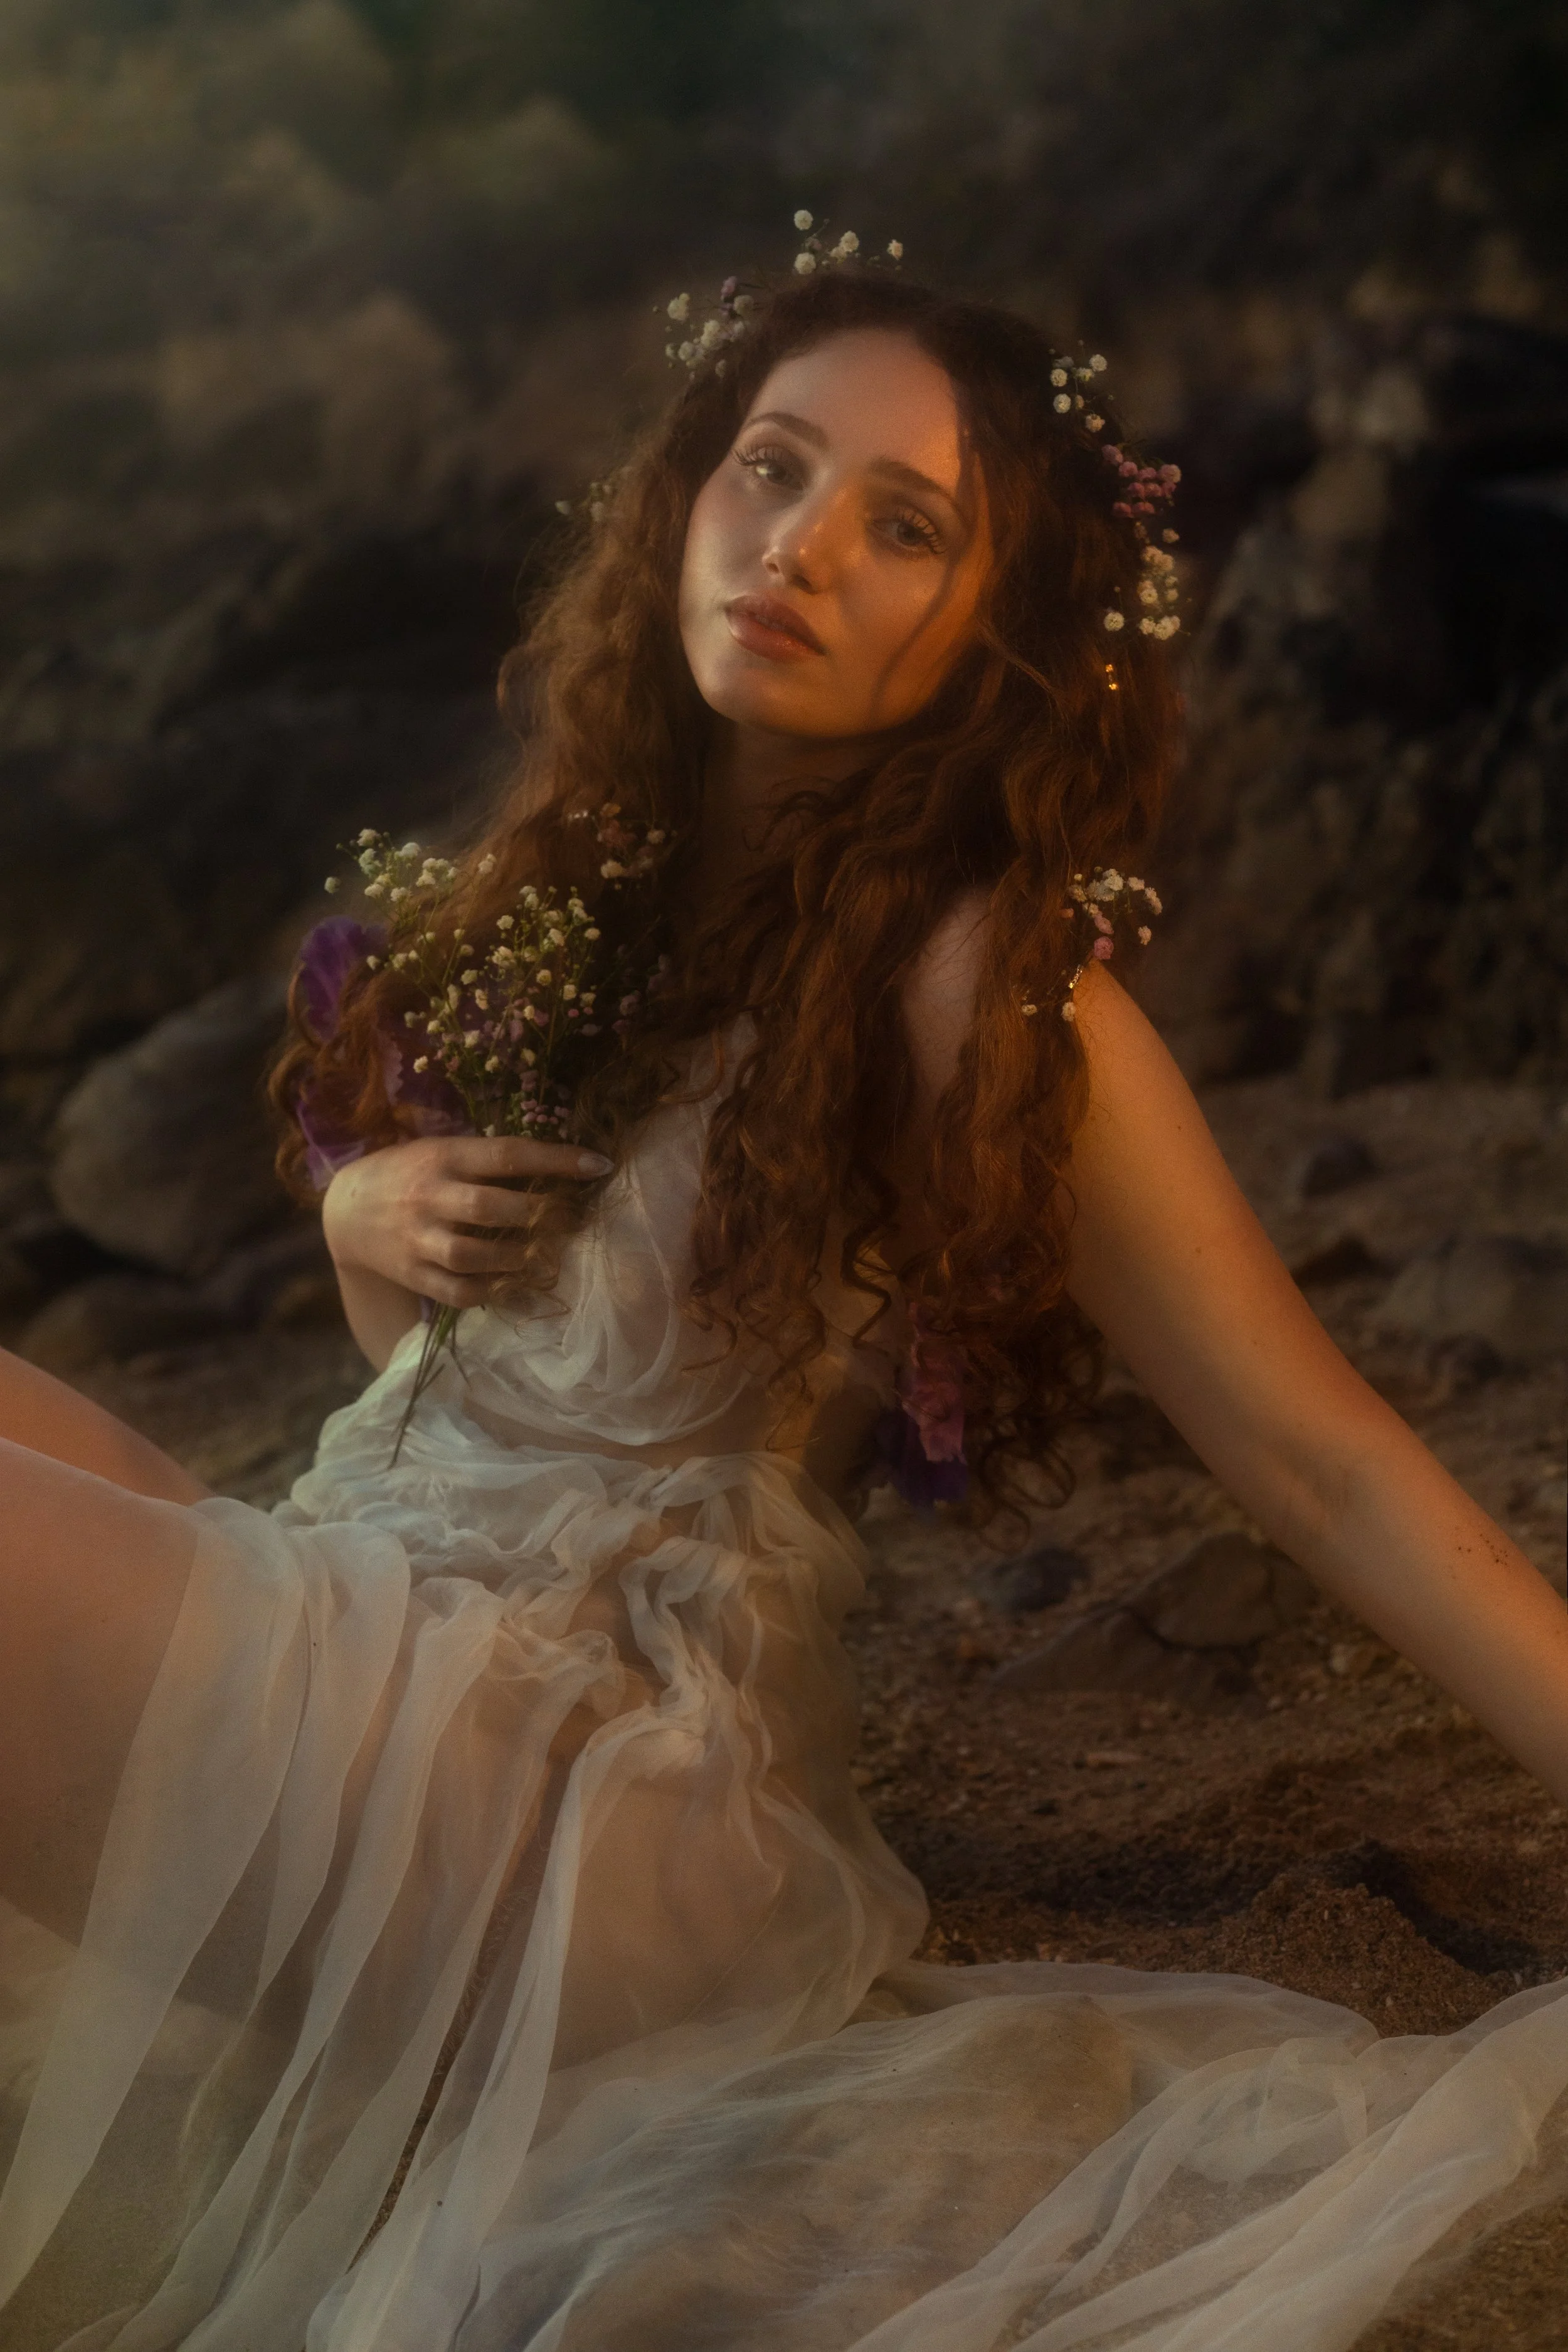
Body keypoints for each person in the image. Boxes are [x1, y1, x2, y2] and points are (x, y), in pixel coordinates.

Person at [1, 259, 1565, 2352]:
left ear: (985, 636)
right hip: (383, 1613)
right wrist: (365, 1220)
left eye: (901, 523)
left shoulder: (974, 982)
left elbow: (1319, 1455)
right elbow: (475, 1398)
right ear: (684, 501)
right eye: (771, 469)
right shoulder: (589, 910)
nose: (800, 546)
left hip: (584, 1797)